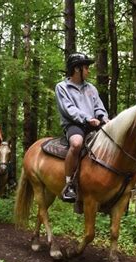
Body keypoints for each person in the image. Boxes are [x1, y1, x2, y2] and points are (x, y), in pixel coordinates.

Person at [55, 52, 109, 203]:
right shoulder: (62, 87)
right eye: (86, 67)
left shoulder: (91, 88)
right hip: (74, 124)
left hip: (93, 124)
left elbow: (99, 107)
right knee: (77, 143)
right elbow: (68, 109)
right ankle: (69, 184)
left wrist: (103, 118)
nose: (88, 71)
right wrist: (87, 118)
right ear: (77, 69)